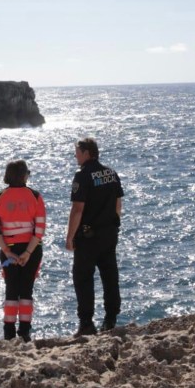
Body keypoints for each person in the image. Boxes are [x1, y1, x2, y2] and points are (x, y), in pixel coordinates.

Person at [65, 137, 124, 336]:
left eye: (78, 151)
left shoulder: (82, 175)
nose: (75, 155)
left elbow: (77, 210)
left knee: (83, 278)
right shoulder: (111, 173)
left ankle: (86, 323)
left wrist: (69, 237)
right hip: (109, 234)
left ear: (87, 153)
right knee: (110, 275)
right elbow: (118, 204)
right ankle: (111, 319)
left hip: (88, 237)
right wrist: (114, 225)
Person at [0, 159, 46, 341]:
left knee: (11, 289)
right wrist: (28, 253)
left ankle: (8, 332)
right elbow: (39, 229)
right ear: (24, 176)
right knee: (27, 290)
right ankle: (25, 331)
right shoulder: (35, 196)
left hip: (8, 250)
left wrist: (7, 251)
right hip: (32, 250)